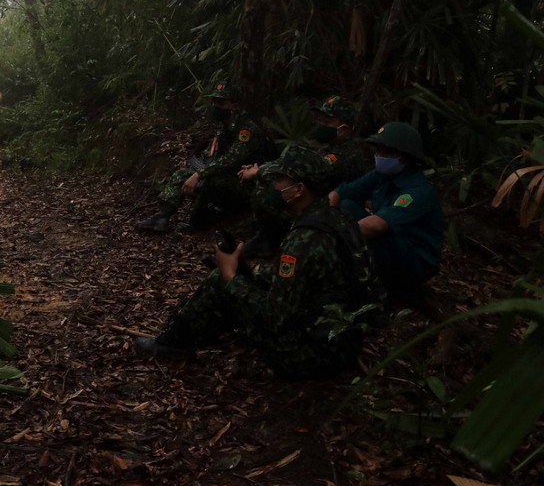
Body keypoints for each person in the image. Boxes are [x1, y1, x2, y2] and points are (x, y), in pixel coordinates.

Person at [134, 146, 378, 380]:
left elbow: (275, 317)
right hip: (340, 340)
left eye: (280, 179)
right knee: (241, 279)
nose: (273, 185)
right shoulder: (337, 218)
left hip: (311, 355)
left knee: (222, 280)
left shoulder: (305, 239)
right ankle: (188, 336)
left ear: (299, 189)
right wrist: (248, 272)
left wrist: (231, 275)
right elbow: (311, 283)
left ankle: (173, 344)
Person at [329, 121, 444, 310]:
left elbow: (376, 226)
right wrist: (319, 217)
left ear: (405, 158)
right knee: (346, 206)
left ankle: (387, 292)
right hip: (392, 244)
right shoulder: (381, 176)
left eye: (385, 152)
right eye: (377, 151)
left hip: (414, 260)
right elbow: (340, 193)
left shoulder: (418, 191)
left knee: (374, 236)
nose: (378, 157)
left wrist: (328, 234)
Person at [238, 95, 367, 257]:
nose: (321, 125)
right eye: (320, 120)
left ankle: (275, 239)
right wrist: (262, 168)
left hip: (331, 212)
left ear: (344, 129)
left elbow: (306, 168)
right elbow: (295, 162)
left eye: (327, 122)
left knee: (271, 190)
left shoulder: (348, 154)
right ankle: (269, 239)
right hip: (317, 203)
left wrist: (258, 171)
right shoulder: (329, 147)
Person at [137, 80, 271, 233]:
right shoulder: (224, 128)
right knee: (181, 174)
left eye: (221, 103)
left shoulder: (246, 129)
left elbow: (230, 160)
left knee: (210, 179)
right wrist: (198, 171)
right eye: (215, 102)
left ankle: (197, 222)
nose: (216, 107)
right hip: (227, 178)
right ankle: (163, 217)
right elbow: (213, 155)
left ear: (235, 105)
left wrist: (200, 174)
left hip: (248, 184)